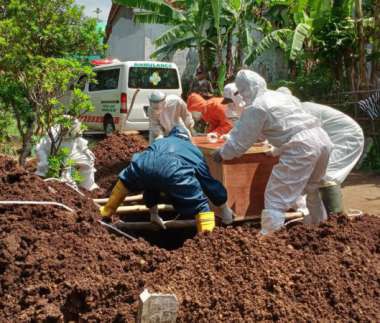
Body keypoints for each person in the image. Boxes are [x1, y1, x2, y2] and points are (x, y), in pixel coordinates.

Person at [212, 70, 333, 234]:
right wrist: (276, 150)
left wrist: (222, 153)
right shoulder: (281, 96)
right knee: (311, 188)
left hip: (302, 145)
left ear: (245, 89)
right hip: (322, 139)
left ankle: (270, 241)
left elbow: (241, 140)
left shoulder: (257, 106)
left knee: (275, 200)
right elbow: (287, 126)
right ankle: (321, 230)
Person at [100, 126, 234, 230]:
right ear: (187, 138)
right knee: (201, 206)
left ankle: (105, 213)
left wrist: (153, 214)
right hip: (176, 171)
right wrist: (224, 209)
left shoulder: (160, 143)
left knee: (125, 183)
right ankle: (208, 242)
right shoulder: (192, 150)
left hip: (142, 165)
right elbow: (208, 183)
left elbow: (152, 181)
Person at [276, 87, 365, 215]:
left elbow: (299, 138)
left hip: (346, 138)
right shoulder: (298, 111)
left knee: (327, 175)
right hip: (333, 138)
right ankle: (325, 217)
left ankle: (336, 219)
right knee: (316, 174)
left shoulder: (302, 111)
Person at [35, 117, 98, 191]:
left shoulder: (74, 128)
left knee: (88, 161)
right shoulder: (52, 135)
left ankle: (88, 185)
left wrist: (85, 149)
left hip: (71, 153)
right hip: (55, 157)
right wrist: (43, 161)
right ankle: (67, 189)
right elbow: (40, 148)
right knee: (65, 173)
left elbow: (78, 139)